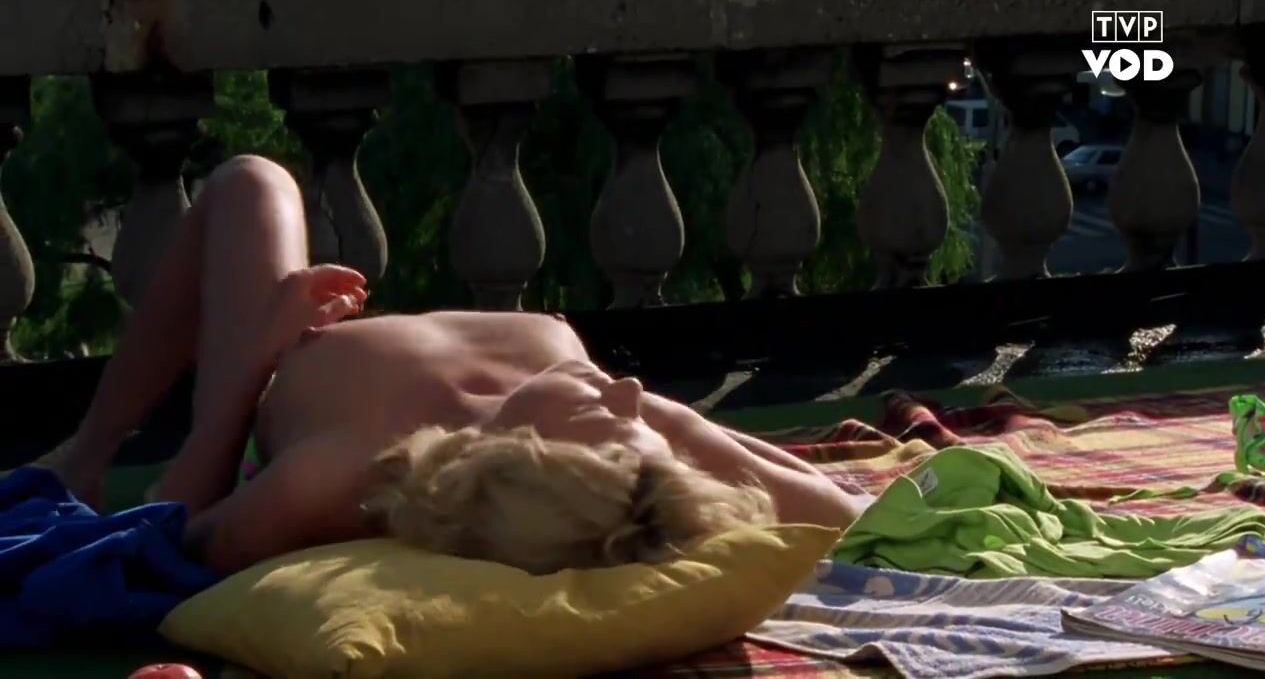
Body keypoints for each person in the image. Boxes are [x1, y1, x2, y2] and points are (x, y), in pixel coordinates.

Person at [39, 155, 861, 576]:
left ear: (526, 464)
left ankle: (88, 454)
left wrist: (260, 353)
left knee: (251, 182)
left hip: (270, 381)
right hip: (355, 355)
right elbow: (839, 512)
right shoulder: (625, 434)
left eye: (607, 415)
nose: (629, 388)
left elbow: (174, 526)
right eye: (632, 412)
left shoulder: (342, 472)